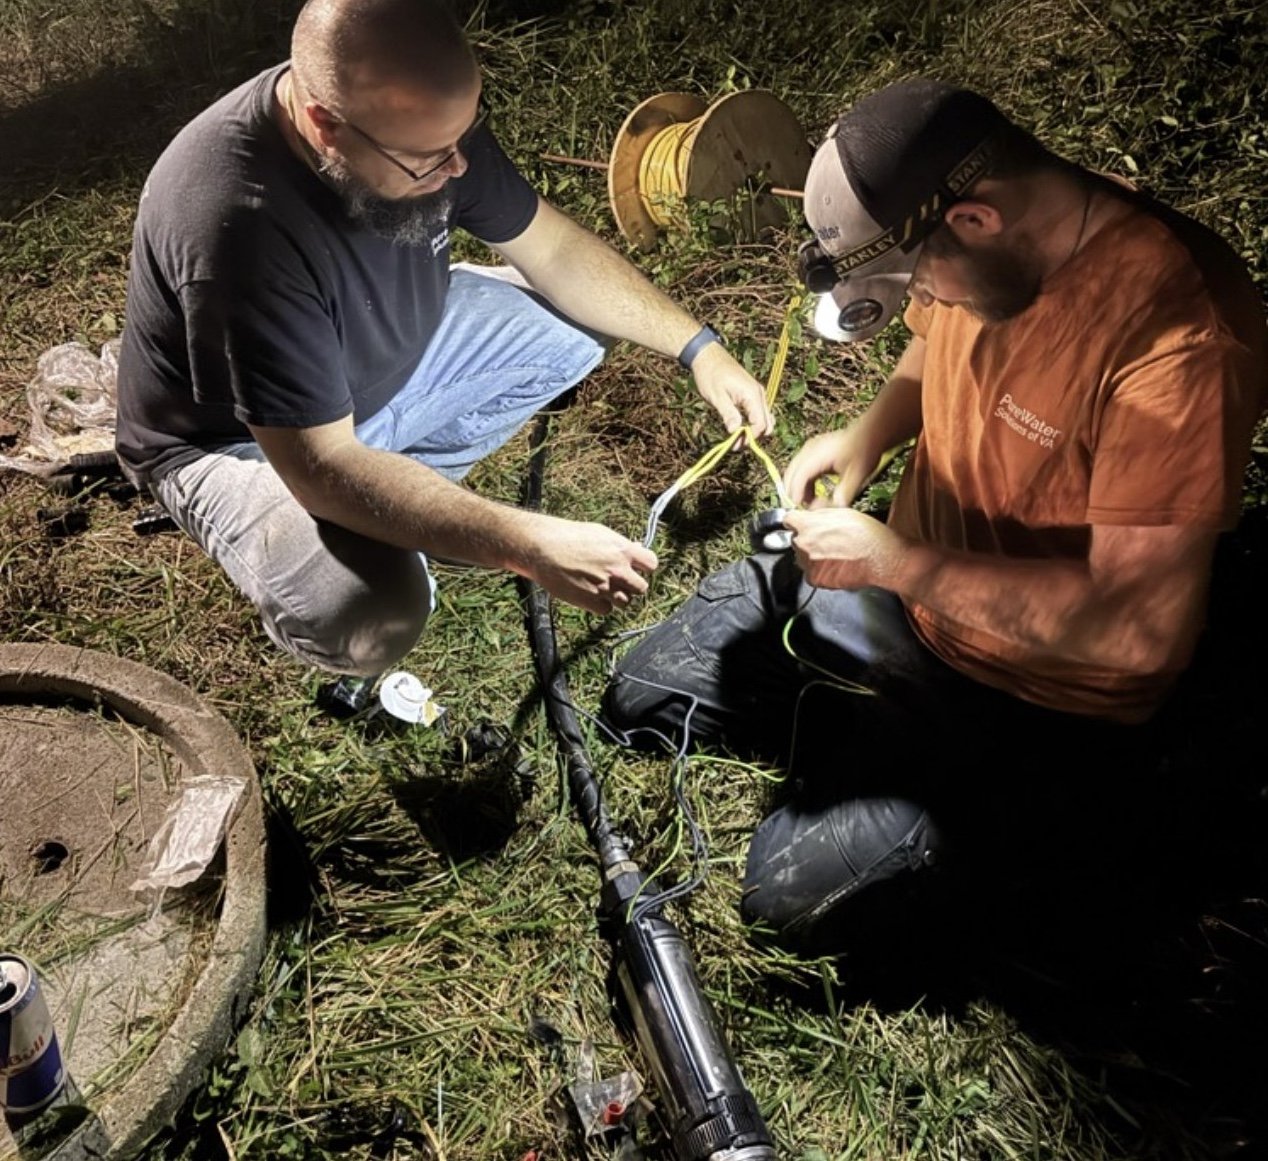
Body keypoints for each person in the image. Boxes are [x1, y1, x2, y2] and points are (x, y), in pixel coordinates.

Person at [602, 78, 1267, 956]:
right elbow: (935, 334)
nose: (928, 301)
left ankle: (1010, 818)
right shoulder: (1002, 239)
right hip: (908, 597)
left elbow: (1136, 632)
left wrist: (897, 564)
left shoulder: (1175, 344)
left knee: (787, 897)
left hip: (1038, 692)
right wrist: (868, 436)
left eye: (920, 280)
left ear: (975, 221)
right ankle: (862, 716)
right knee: (637, 696)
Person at [114, 0, 771, 678]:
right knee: (373, 611)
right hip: (247, 443)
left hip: (373, 366)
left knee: (590, 320)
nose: (459, 167)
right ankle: (378, 522)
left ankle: (401, 497)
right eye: (429, 158)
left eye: (464, 138)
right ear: (325, 125)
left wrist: (700, 347)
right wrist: (527, 541)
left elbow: (555, 250)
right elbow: (320, 465)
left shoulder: (419, 122)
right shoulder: (235, 226)